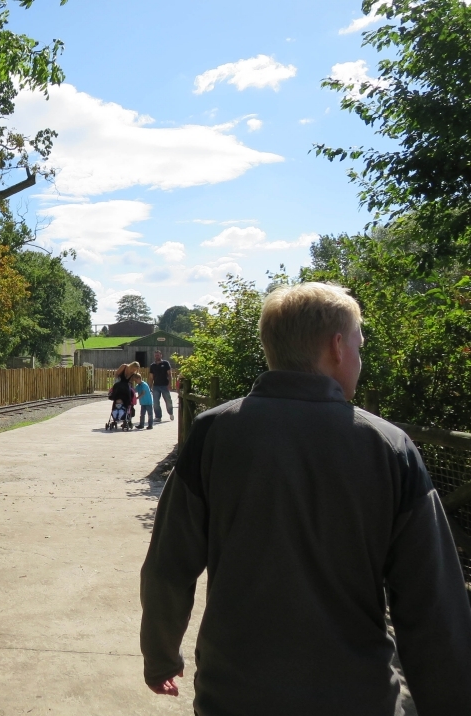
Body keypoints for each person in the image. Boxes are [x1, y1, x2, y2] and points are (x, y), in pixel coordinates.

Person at [139, 283, 471, 716]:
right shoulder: (389, 447)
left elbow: (168, 564)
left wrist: (160, 655)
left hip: (234, 691)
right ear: (336, 347)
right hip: (356, 695)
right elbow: (432, 599)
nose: (360, 358)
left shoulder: (214, 433)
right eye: (359, 345)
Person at [148, 350, 174, 422]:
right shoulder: (152, 366)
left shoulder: (165, 363)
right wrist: (149, 387)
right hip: (156, 386)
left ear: (161, 355)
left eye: (158, 355)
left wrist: (170, 384)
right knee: (156, 403)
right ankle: (158, 417)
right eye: (155, 355)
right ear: (154, 356)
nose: (157, 356)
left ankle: (170, 413)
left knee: (168, 401)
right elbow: (151, 377)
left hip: (165, 385)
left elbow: (169, 374)